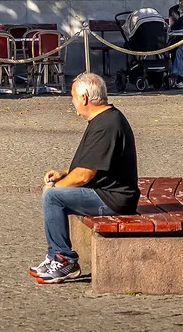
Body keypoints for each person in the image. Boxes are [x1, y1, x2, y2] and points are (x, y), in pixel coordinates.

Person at [28, 73, 139, 284]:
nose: (72, 102)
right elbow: (92, 166)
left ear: (85, 98)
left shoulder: (107, 125)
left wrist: (55, 187)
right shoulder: (104, 119)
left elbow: (85, 175)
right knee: (55, 193)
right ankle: (54, 256)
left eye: (73, 97)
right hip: (107, 192)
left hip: (113, 199)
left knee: (52, 197)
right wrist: (65, 174)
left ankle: (63, 260)